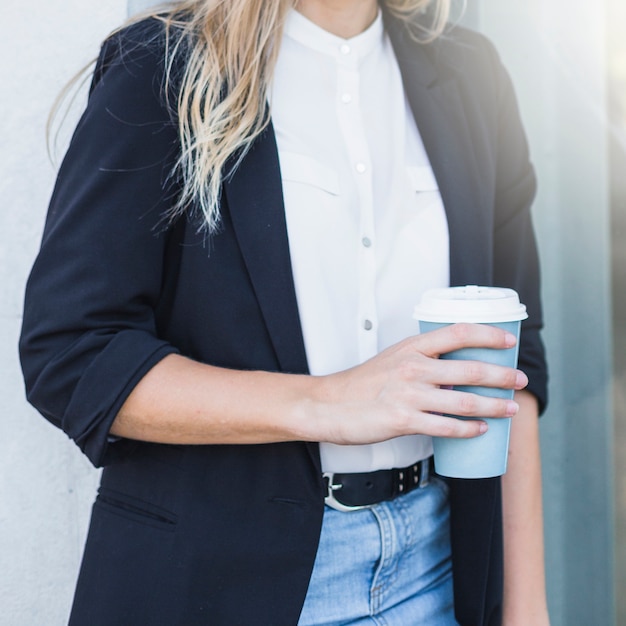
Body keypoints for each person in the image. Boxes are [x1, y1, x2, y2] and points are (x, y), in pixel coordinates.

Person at [19, 0, 549, 624]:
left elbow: (516, 363)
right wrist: (328, 401)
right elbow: (74, 356)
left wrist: (526, 608)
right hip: (221, 580)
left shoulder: (473, 72)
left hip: (435, 573)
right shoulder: (161, 67)